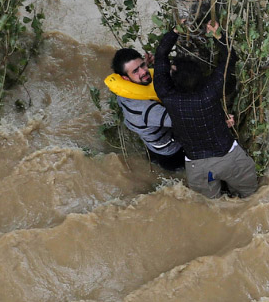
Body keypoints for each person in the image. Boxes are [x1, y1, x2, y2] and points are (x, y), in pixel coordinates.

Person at [153, 22, 257, 199]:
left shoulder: (168, 96)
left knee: (211, 209)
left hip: (199, 168)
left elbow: (160, 55)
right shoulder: (210, 91)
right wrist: (218, 36)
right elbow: (229, 59)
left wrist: (175, 32)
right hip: (230, 158)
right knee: (251, 198)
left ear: (175, 80)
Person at [105, 48, 185, 171]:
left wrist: (148, 64)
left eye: (142, 65)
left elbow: (140, 80)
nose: (143, 71)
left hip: (152, 144)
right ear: (125, 78)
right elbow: (185, 121)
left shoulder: (123, 91)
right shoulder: (146, 110)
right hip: (171, 153)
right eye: (136, 71)